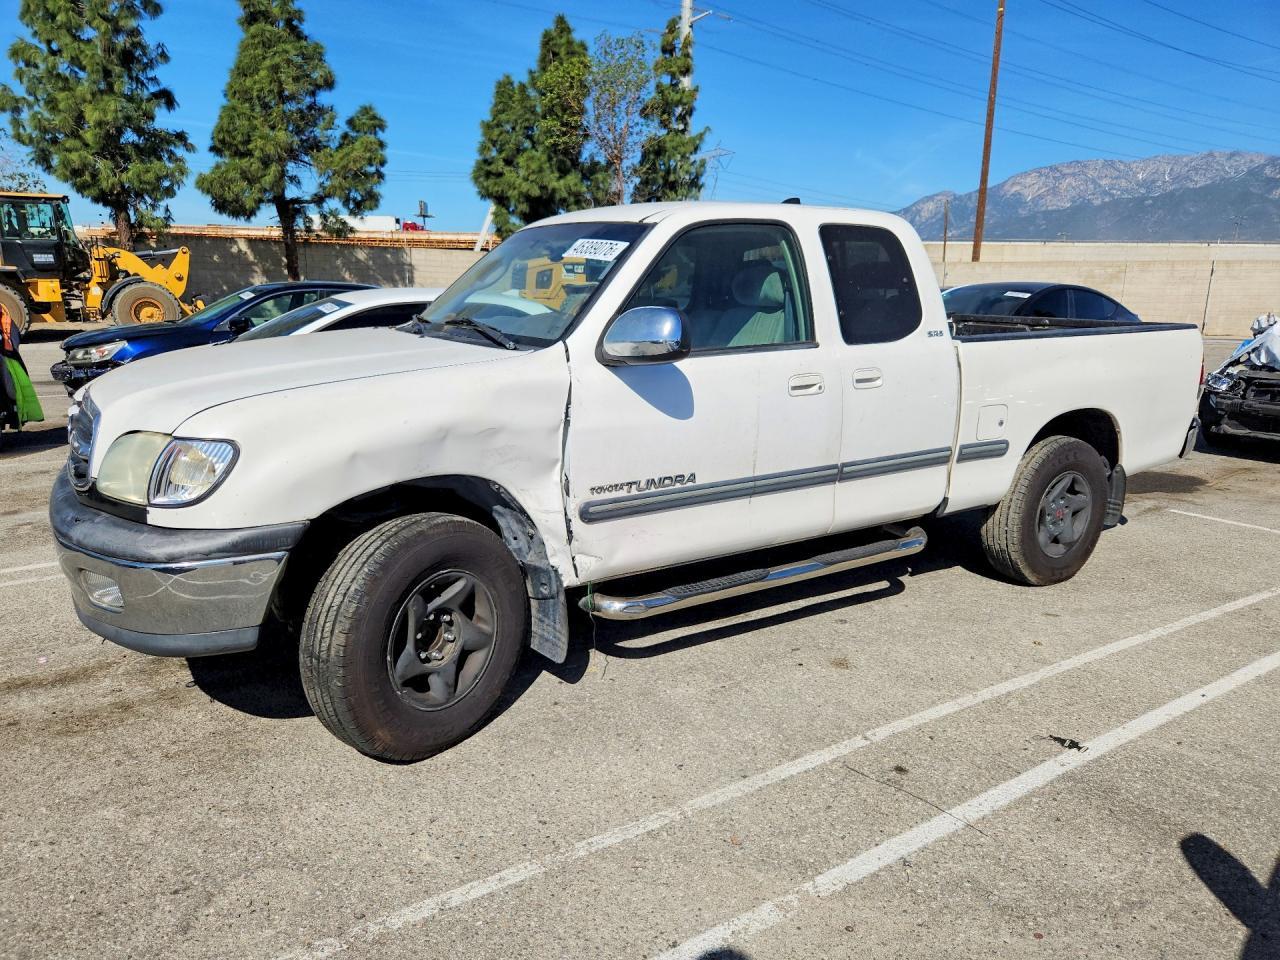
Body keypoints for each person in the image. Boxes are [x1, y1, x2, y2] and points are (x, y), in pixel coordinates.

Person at [0, 303, 43, 435]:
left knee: (10, 388)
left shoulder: (4, 319)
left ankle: (10, 411)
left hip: (5, 356)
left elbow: (12, 340)